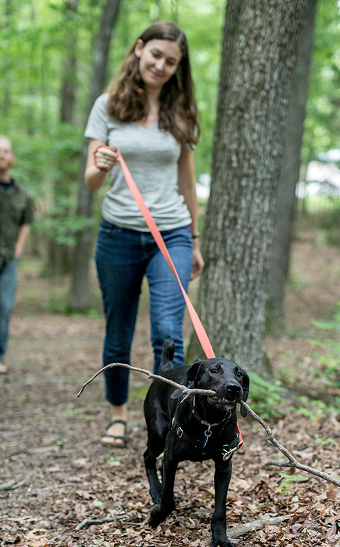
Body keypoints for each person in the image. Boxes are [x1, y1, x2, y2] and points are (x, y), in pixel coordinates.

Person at [84, 21, 204, 448]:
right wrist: (99, 163)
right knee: (118, 329)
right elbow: (90, 182)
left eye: (171, 62)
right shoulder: (108, 106)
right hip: (117, 235)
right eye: (156, 55)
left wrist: (195, 240)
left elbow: (188, 184)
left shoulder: (182, 112)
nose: (161, 65)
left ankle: (167, 419)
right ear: (139, 49)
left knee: (168, 331)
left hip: (170, 233)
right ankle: (117, 416)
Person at [0, 136, 33, 375]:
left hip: (8, 259)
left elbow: (26, 222)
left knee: (5, 307)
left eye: (5, 150)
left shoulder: (22, 194)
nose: (1, 154)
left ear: (12, 157)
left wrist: (19, 248)